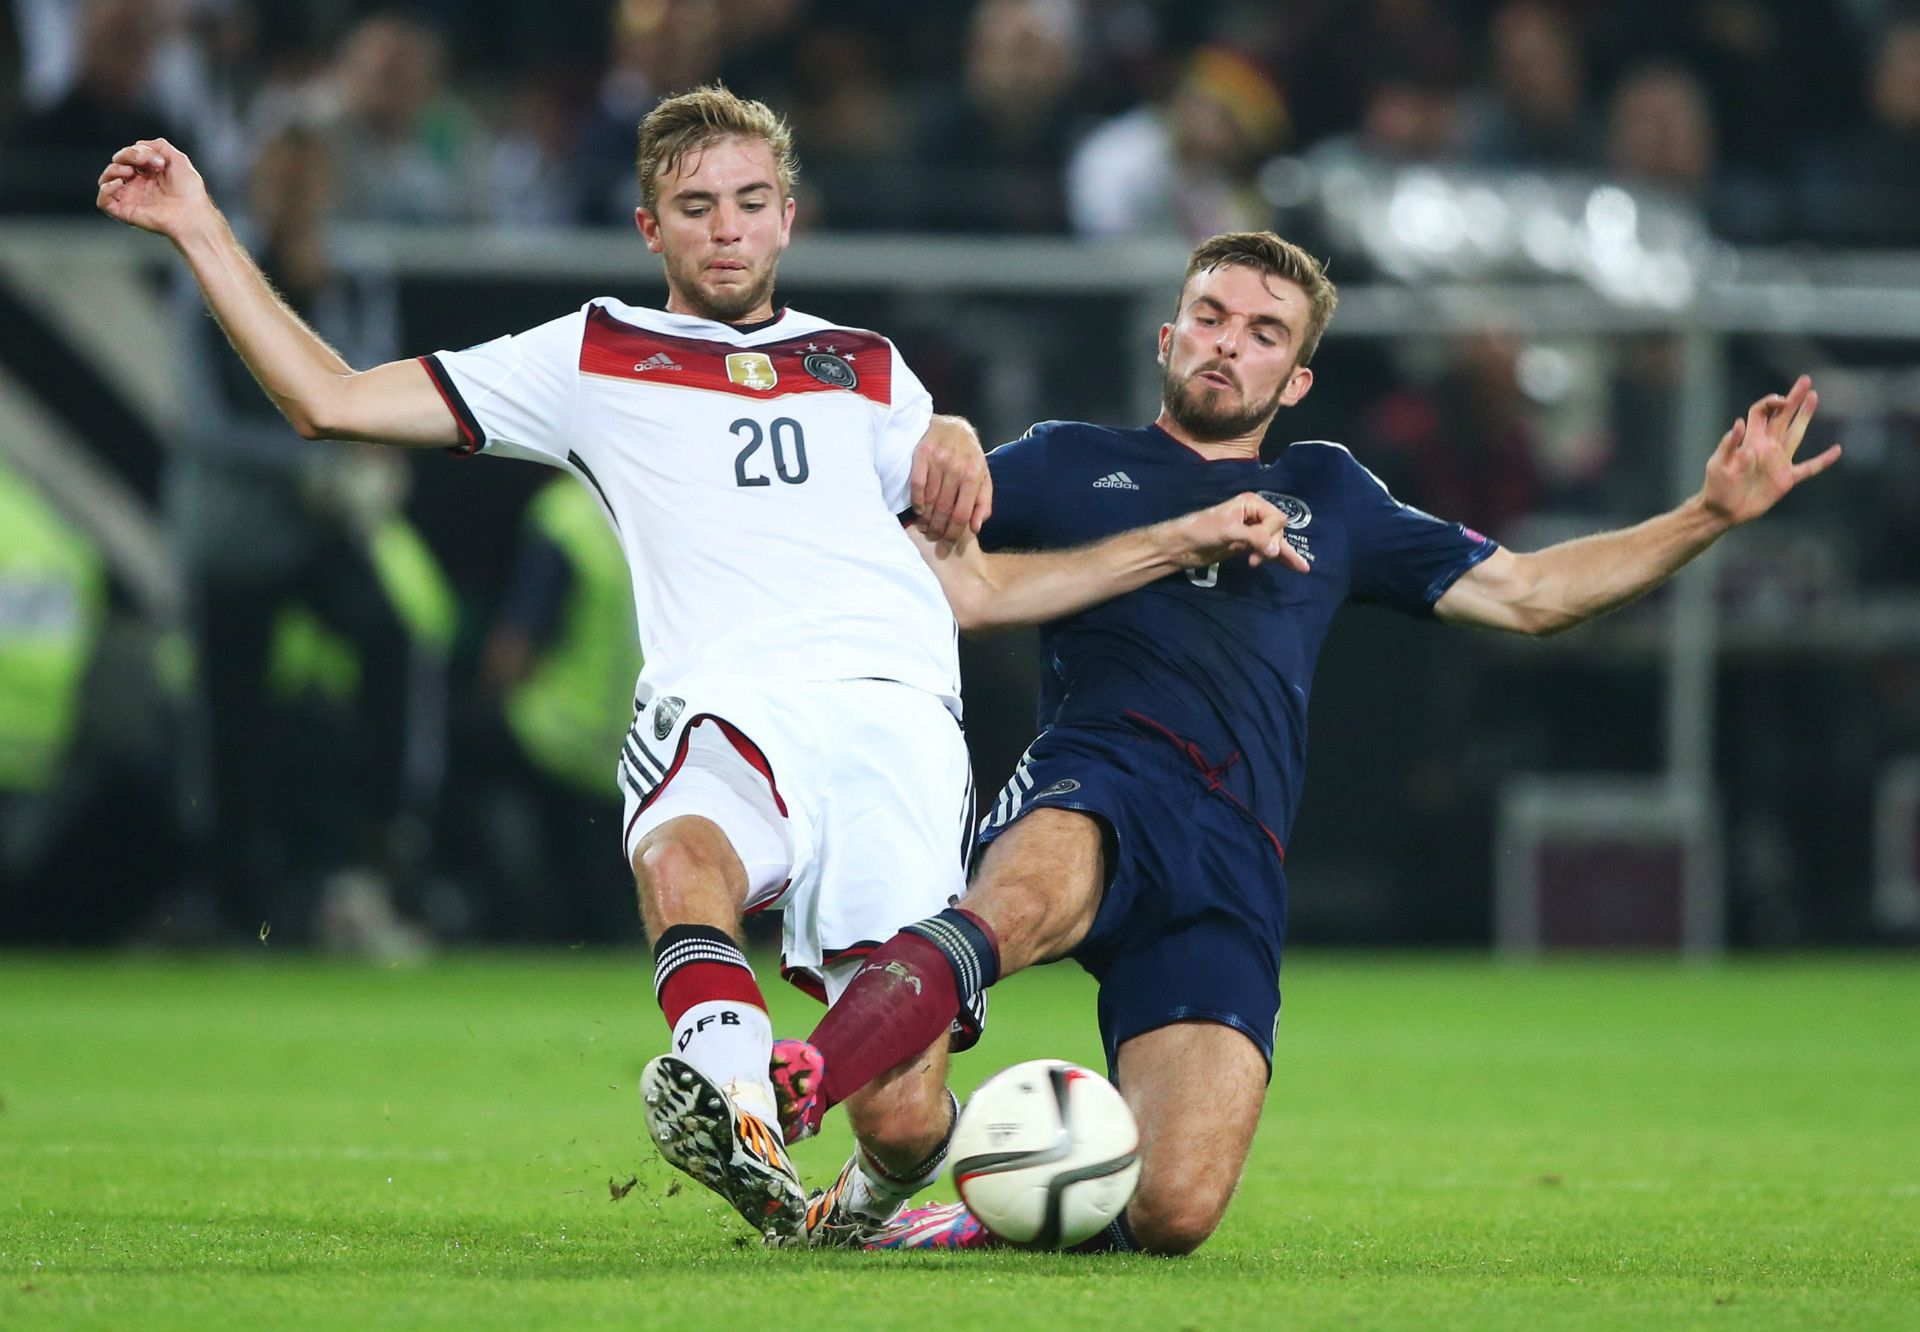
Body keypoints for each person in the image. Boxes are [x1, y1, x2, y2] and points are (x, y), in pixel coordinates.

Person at [96, 86, 1300, 1245]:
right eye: (695, 206)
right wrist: (200, 227)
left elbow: (972, 586)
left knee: (901, 1112)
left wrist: (1002, 450)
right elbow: (328, 399)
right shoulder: (593, 352)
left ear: (788, 214)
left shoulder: (874, 370)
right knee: (683, 852)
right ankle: (736, 1107)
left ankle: (851, 1203)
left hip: (894, 725)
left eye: (749, 200)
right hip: (728, 693)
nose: (726, 228)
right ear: (648, 227)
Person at [766, 230, 1838, 1254]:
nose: (1230, 342)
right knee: (1021, 904)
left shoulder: (1330, 493)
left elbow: (1531, 594)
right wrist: (939, 430)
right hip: (1100, 773)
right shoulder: (1065, 464)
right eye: (1211, 316)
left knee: (1176, 1209)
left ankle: (957, 1210)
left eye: (1265, 333)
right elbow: (909, 559)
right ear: (1166, 337)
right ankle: (803, 1080)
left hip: (1233, 850)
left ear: (1296, 382)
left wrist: (1707, 515)